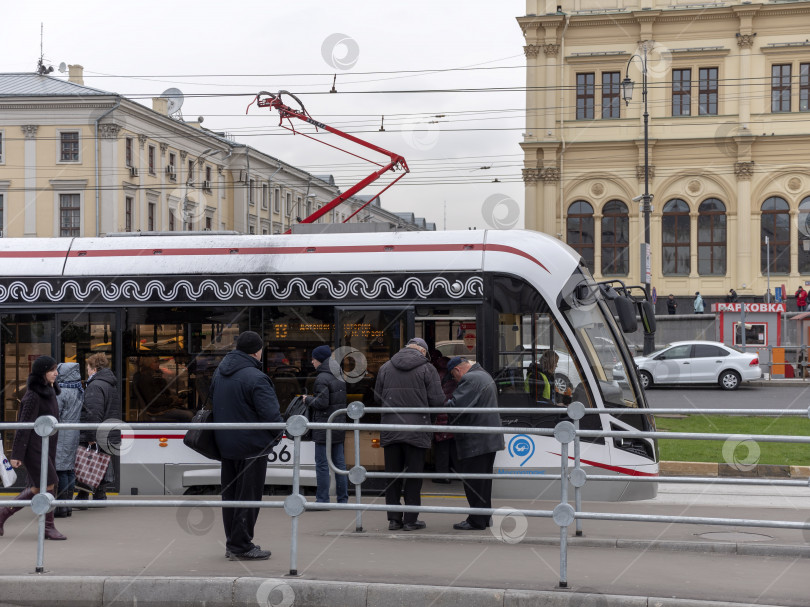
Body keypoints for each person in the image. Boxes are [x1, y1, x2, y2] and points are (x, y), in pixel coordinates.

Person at [212, 330, 283, 561]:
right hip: (252, 447)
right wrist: (279, 432)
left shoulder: (219, 373)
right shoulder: (256, 377)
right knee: (249, 497)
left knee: (231, 496)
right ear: (257, 350)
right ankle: (241, 545)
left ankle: (232, 543)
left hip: (225, 444)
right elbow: (271, 416)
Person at [374, 337, 444, 532]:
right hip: (417, 429)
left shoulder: (386, 367)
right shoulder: (427, 369)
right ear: (423, 351)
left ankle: (394, 520)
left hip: (391, 428)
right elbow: (437, 400)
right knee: (413, 476)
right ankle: (411, 520)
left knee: (393, 476)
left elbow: (376, 396)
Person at [1, 356, 67, 540]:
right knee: (47, 485)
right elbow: (23, 426)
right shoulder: (32, 396)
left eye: (56, 369)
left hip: (46, 448)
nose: (56, 373)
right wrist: (16, 454)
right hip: (34, 448)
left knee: (43, 486)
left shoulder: (50, 391)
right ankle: (47, 527)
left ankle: (4, 516)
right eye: (52, 370)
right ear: (42, 372)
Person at [445, 356, 504, 531]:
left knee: (474, 482)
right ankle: (484, 517)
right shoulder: (483, 374)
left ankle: (476, 520)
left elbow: (456, 406)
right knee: (483, 482)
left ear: (457, 370)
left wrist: (445, 403)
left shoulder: (470, 379)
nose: (456, 381)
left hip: (475, 440)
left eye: (454, 377)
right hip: (487, 439)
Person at [303, 345, 348, 505]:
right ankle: (343, 500)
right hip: (338, 425)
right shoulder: (339, 374)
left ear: (320, 360)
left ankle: (322, 500)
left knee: (322, 464)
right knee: (340, 464)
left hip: (323, 425)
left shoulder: (322, 378)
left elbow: (322, 403)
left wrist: (306, 399)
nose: (312, 362)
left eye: (314, 359)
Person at [77, 353, 122, 503]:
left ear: (94, 369)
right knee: (100, 461)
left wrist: (90, 436)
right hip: (109, 432)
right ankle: (100, 495)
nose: (87, 372)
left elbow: (93, 413)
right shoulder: (110, 384)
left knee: (87, 462)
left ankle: (83, 496)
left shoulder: (95, 386)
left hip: (98, 432)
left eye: (88, 369)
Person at [54, 362, 84, 518]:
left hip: (61, 433)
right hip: (74, 432)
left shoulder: (61, 391)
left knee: (60, 469)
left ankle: (60, 507)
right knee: (70, 469)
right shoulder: (78, 390)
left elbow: (55, 414)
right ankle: (68, 505)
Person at [133, 357, 193, 422]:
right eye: (155, 362)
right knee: (189, 415)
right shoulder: (146, 379)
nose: (158, 364)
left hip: (161, 407)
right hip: (156, 411)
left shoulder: (156, 376)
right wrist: (172, 400)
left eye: (158, 362)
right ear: (148, 364)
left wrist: (174, 399)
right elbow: (154, 400)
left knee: (194, 412)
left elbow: (163, 393)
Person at [430, 352, 457, 484]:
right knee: (452, 445)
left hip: (440, 414)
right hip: (452, 413)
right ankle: (457, 472)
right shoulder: (453, 374)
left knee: (442, 447)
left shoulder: (435, 375)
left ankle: (442, 475)